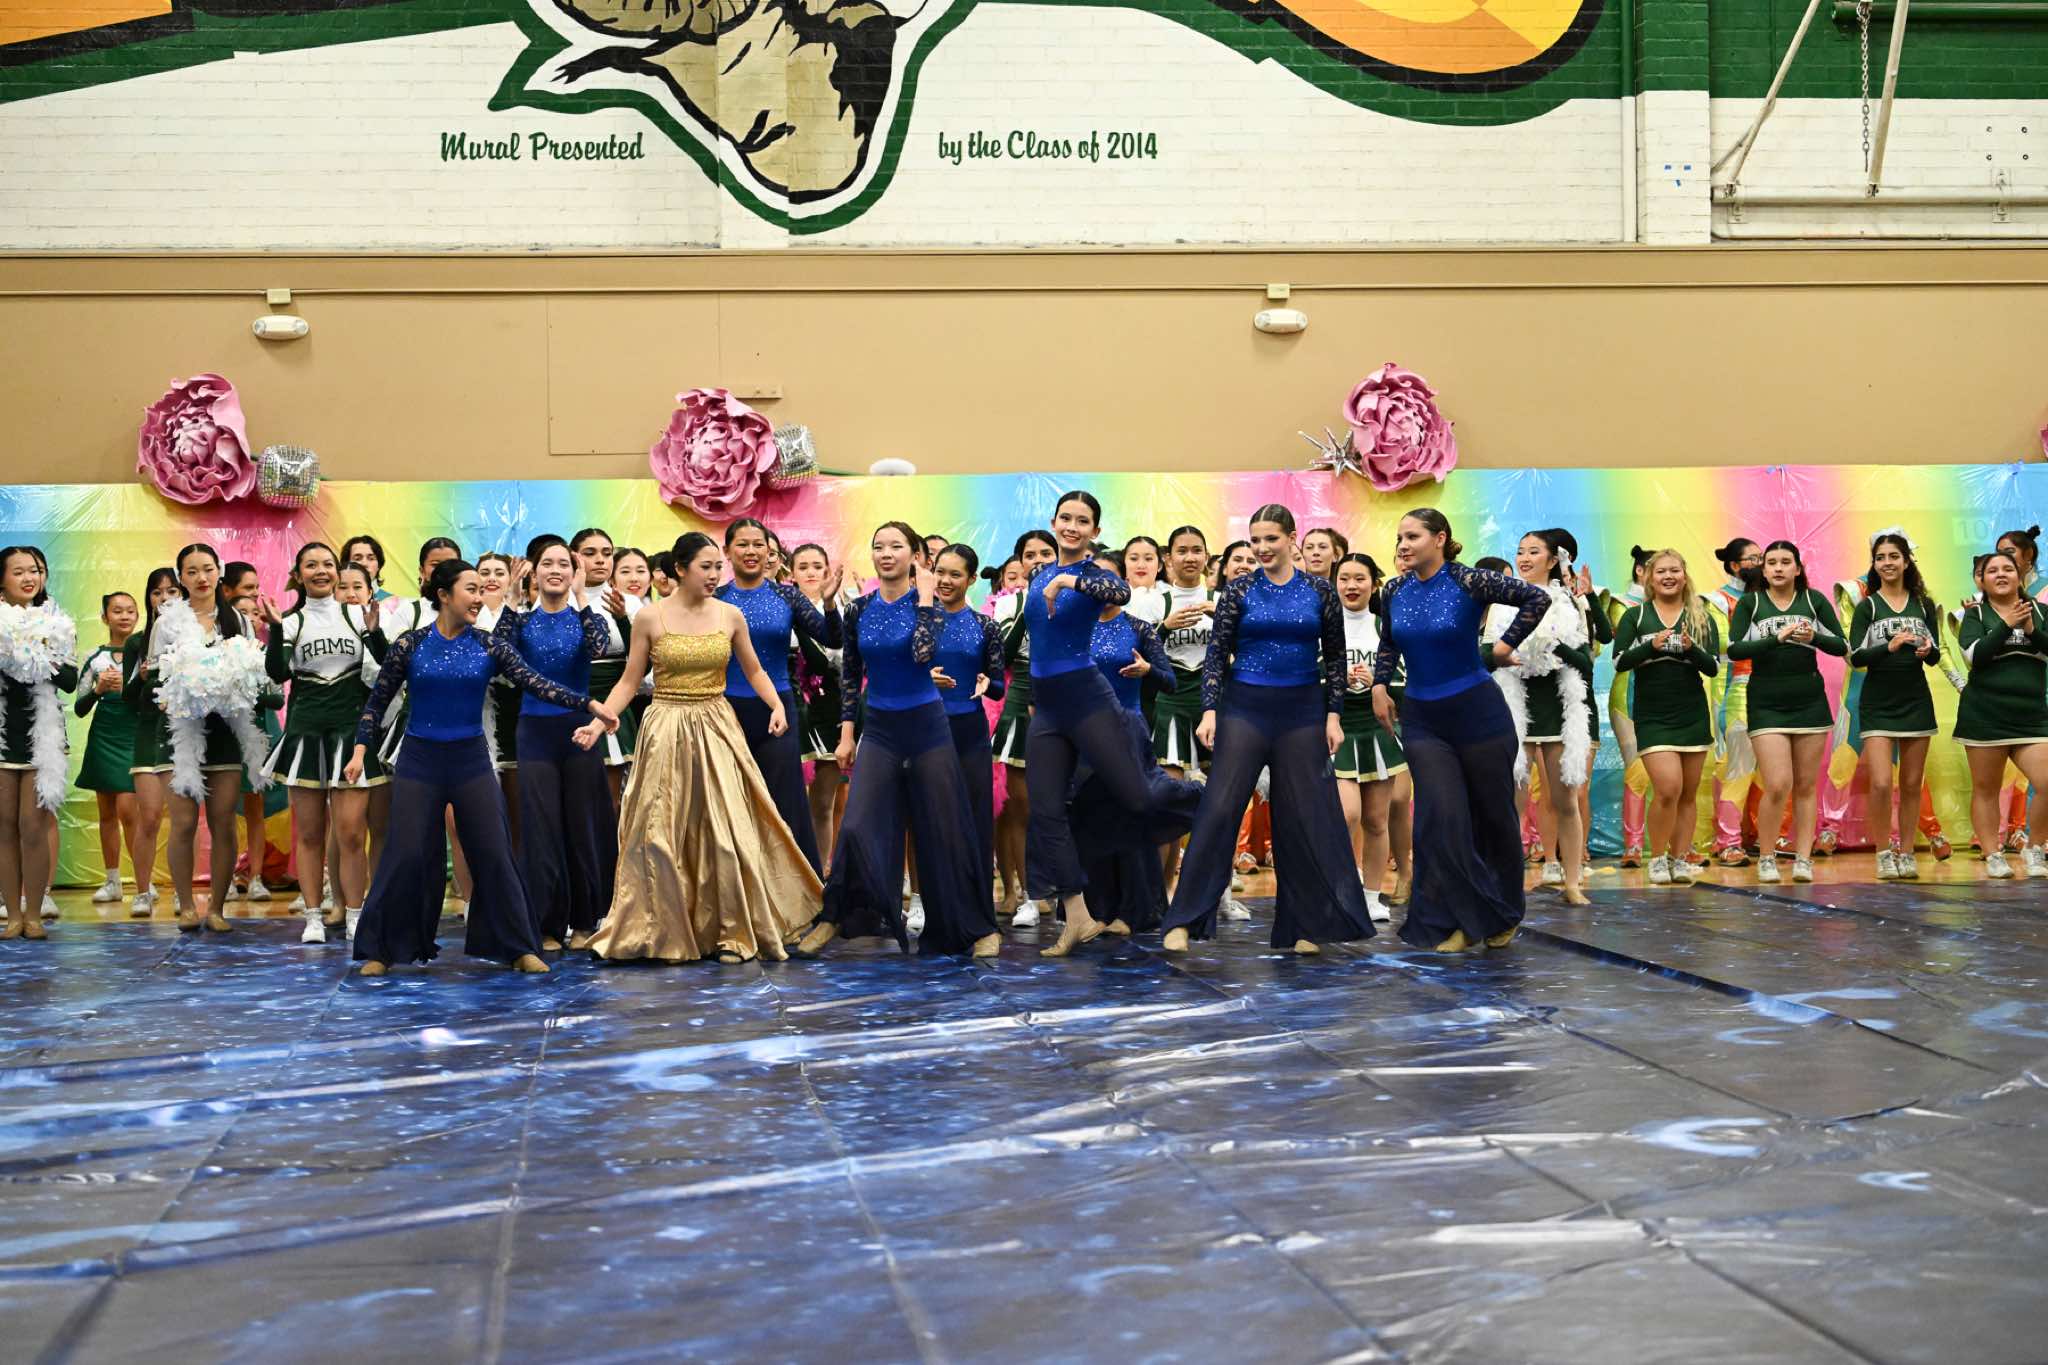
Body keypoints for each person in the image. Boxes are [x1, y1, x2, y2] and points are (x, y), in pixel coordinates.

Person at [343, 557, 617, 975]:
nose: (479, 597)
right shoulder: (410, 645)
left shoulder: (490, 645)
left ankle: (518, 946)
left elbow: (534, 682)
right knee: (406, 852)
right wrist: (360, 750)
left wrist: (588, 703)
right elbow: (376, 702)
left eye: (481, 590)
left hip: (470, 761)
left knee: (493, 850)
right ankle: (382, 950)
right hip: (419, 761)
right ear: (443, 595)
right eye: (471, 589)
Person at [1161, 505, 1371, 955]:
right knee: (1219, 808)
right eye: (1255, 540)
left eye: (1270, 539)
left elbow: (1336, 657)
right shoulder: (1238, 590)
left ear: (1292, 539)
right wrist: (1210, 711)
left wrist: (1333, 716)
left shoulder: (1320, 590)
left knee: (1304, 816)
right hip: (1245, 709)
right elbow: (1216, 654)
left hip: (1303, 711)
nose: (1261, 548)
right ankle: (1184, 919)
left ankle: (1306, 925)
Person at [795, 523, 999, 959]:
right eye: (878, 546)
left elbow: (923, 654)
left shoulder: (933, 605)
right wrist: (846, 733)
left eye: (896, 546)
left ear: (915, 556)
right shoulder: (860, 608)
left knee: (945, 830)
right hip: (880, 730)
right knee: (856, 825)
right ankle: (834, 918)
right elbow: (850, 671)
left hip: (927, 727)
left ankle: (978, 927)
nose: (886, 553)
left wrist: (924, 598)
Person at [1015, 492, 1200, 958]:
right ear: (1053, 522)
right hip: (1048, 707)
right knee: (1046, 811)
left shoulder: (1097, 576)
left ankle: (1206, 797)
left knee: (1137, 795)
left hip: (1087, 698)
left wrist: (1069, 581)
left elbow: (1120, 594)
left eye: (1083, 521)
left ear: (1095, 531)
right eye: (1065, 518)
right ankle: (1078, 915)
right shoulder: (1038, 576)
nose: (1072, 526)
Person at [1369, 509, 1551, 952]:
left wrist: (1504, 645)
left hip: (1478, 716)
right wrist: (1379, 684)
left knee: (1493, 818)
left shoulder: (1470, 580)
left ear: (1439, 539)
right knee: (1440, 818)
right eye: (1399, 537)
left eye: (1413, 536)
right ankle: (1459, 920)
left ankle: (1501, 912)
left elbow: (1536, 598)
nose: (1403, 545)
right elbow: (1390, 640)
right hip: (1423, 719)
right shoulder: (1394, 589)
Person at [255, 542, 386, 943]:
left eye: (328, 564)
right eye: (311, 565)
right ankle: (313, 916)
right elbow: (277, 672)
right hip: (306, 735)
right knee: (310, 834)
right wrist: (276, 629)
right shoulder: (292, 621)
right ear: (298, 575)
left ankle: (355, 913)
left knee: (351, 833)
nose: (321, 571)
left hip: (351, 734)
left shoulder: (356, 615)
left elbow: (386, 668)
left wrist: (375, 632)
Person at [126, 544, 259, 933]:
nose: (202, 578)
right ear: (181, 577)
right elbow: (154, 677)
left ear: (219, 572)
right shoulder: (167, 622)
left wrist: (229, 685)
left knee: (223, 822)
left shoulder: (238, 620)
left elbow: (253, 674)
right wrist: (179, 686)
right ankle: (185, 905)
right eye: (192, 571)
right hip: (179, 731)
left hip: (224, 731)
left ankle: (216, 908)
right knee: (183, 822)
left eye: (208, 569)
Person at [494, 537, 617, 951]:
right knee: (540, 826)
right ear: (534, 571)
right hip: (535, 731)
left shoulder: (586, 616)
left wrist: (582, 598)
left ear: (573, 572)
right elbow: (498, 656)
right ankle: (547, 924)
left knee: (582, 824)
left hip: (580, 732)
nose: (555, 570)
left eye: (564, 564)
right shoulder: (522, 621)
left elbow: (599, 647)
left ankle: (584, 921)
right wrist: (511, 600)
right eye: (547, 563)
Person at [716, 519, 844, 876]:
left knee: (783, 800)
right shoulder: (715, 598)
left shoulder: (787, 596)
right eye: (742, 544)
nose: (751, 551)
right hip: (724, 711)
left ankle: (794, 888)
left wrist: (829, 603)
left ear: (769, 552)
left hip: (778, 710)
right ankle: (736, 887)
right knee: (730, 801)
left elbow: (832, 638)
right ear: (727, 552)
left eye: (759, 545)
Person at [1727, 540, 1845, 884]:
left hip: (1809, 701)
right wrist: (1776, 639)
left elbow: (1841, 645)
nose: (1778, 568)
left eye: (1785, 562)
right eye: (1772, 562)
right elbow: (1735, 649)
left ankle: (1804, 859)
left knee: (1806, 786)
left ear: (1797, 568)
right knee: (1778, 784)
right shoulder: (1751, 603)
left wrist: (1813, 638)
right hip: (1766, 701)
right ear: (1763, 570)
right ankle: (1766, 856)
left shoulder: (1813, 600)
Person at [1490, 530, 1593, 906]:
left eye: (1534, 552)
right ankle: (1507, 883)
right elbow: (1484, 657)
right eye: (1520, 551)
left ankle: (1572, 882)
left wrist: (1555, 645)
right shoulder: (1502, 604)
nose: (1524, 558)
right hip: (1513, 712)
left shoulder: (1569, 603)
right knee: (1511, 803)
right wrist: (1506, 654)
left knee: (1566, 800)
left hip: (1557, 712)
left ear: (1552, 560)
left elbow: (1586, 664)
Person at [1078, 549, 1176, 935]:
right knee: (1091, 820)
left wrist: (1148, 669)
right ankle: (1096, 910)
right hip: (1085, 730)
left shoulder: (1139, 628)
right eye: (1093, 580)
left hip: (1127, 729)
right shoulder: (1075, 628)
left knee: (1131, 819)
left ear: (1122, 583)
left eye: (1108, 579)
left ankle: (1135, 910)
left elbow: (1169, 680)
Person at [1611, 550, 1719, 887]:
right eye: (1661, 571)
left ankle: (1680, 858)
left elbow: (1713, 666)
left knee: (1687, 793)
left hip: (1692, 712)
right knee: (1668, 788)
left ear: (1685, 576)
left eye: (1675, 570)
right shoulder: (1636, 616)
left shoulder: (1701, 616)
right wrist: (1651, 646)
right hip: (1653, 714)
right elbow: (1619, 661)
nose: (1668, 576)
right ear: (1648, 577)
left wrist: (1691, 648)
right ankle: (1657, 857)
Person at [1849, 531, 1944, 880]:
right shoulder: (1868, 606)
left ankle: (1906, 851)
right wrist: (1887, 647)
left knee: (1912, 782)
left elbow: (1935, 655)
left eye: (1893, 556)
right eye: (1880, 558)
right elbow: (1855, 657)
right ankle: (1883, 852)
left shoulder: (1923, 604)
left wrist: (1927, 650)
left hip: (1915, 699)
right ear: (1874, 564)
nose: (1887, 563)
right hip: (1878, 701)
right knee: (1879, 782)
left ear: (1906, 561)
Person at [1955, 548, 2048, 878]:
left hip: (2031, 717)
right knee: (1986, 789)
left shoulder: (2041, 612)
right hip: (1984, 715)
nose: (2001, 574)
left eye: (2007, 568)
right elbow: (1975, 657)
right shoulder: (1974, 615)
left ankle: (2034, 849)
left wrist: (2033, 630)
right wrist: (2006, 625)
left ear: (2019, 574)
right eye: (1991, 570)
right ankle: (1993, 854)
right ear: (1982, 580)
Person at [0, 546, 76, 942]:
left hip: (40, 735)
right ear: (1, 580)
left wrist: (42, 651)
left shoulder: (57, 621)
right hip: (2, 734)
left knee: (33, 827)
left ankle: (34, 914)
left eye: (33, 570)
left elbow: (70, 682)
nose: (29, 578)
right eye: (18, 572)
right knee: (4, 828)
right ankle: (11, 915)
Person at [930, 544, 1007, 907]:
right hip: (927, 729)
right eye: (940, 572)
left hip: (970, 732)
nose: (945, 580)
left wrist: (987, 683)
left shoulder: (985, 626)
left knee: (975, 818)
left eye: (955, 574)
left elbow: (999, 685)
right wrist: (923, 678)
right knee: (931, 815)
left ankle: (977, 905)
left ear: (972, 579)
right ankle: (932, 902)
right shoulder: (920, 622)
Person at [989, 529, 1057, 924]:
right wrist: (1031, 601)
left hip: (1065, 695)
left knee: (1057, 802)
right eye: (1030, 555)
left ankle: (1061, 887)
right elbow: (1003, 654)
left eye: (1046, 553)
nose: (1038, 561)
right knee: (1018, 805)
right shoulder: (1007, 603)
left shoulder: (1075, 597)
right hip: (1019, 699)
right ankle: (1023, 890)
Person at [1331, 553, 1404, 923]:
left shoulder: (1385, 627)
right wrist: (1336, 679)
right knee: (1347, 814)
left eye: (1359, 578)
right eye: (1344, 578)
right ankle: (1340, 890)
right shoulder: (1324, 627)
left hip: (1378, 731)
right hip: (1337, 730)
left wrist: (1379, 681)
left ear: (1374, 584)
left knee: (1376, 820)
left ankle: (1373, 896)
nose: (1351, 586)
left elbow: (1404, 680)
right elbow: (1307, 675)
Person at [1153, 526, 1217, 898]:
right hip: (1170, 705)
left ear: (1207, 556)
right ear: (1169, 558)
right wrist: (1164, 628)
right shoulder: (1154, 600)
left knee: (1219, 806)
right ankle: (1162, 890)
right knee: (1169, 802)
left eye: (1197, 550)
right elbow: (1138, 651)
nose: (1190, 557)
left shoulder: (1221, 599)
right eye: (1182, 550)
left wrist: (1225, 618)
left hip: (1213, 708)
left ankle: (1217, 894)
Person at [75, 590, 143, 910]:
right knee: (106, 813)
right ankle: (112, 880)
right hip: (104, 735)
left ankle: (143, 882)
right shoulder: (95, 657)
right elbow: (79, 707)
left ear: (138, 616)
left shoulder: (145, 654)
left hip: (134, 735)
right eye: (117, 611)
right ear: (105, 618)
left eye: (130, 610)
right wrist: (99, 690)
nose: (124, 616)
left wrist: (134, 687)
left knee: (130, 810)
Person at [789, 543, 853, 869]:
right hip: (791, 707)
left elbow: (843, 661)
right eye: (803, 567)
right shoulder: (782, 609)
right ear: (791, 573)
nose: (811, 573)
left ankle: (819, 874)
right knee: (787, 800)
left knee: (823, 802)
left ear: (828, 571)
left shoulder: (841, 610)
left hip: (830, 709)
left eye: (817, 566)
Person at [121, 567, 180, 919]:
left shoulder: (193, 636)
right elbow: (127, 698)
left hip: (183, 735)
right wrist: (142, 679)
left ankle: (183, 893)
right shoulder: (135, 643)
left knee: (185, 819)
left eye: (172, 591)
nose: (164, 598)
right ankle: (142, 891)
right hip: (148, 733)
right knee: (150, 816)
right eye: (157, 592)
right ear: (149, 598)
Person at [1707, 537, 1765, 866]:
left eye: (1762, 557)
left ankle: (1756, 836)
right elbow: (1720, 645)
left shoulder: (1771, 596)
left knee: (1771, 772)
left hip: (1774, 687)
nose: (1760, 564)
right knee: (1737, 767)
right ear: (1734, 565)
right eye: (1752, 559)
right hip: (1736, 687)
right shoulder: (1717, 600)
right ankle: (1728, 842)